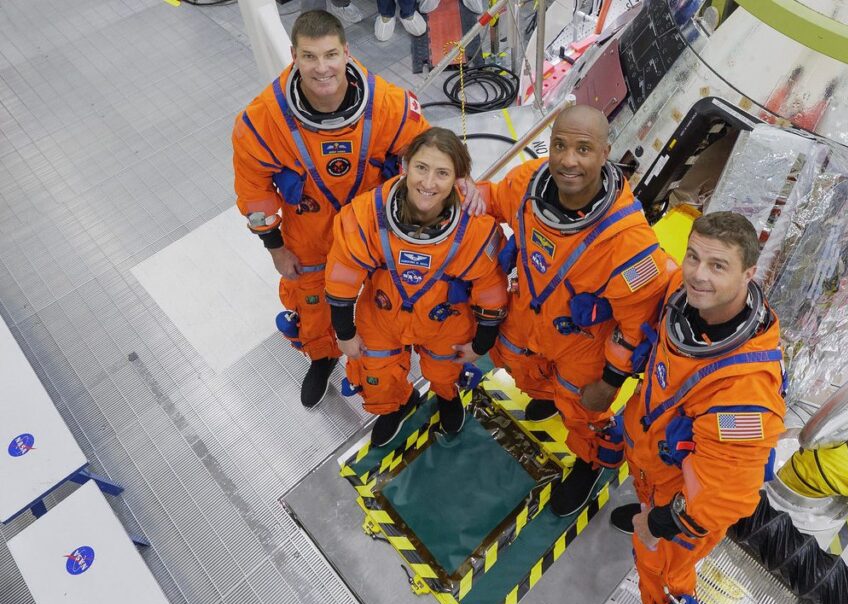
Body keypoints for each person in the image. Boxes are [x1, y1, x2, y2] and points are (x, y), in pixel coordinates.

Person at [610, 211, 786, 604]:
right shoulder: (681, 302)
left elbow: (726, 496)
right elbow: (639, 258)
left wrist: (665, 523)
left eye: (717, 266)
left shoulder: (745, 391)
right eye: (693, 257)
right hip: (651, 466)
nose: (698, 274)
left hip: (683, 505)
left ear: (749, 274)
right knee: (647, 514)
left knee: (662, 562)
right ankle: (647, 515)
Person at [480, 105, 673, 517]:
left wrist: (610, 380)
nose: (568, 160)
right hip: (528, 319)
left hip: (583, 348)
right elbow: (491, 200)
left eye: (584, 149)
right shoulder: (527, 184)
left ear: (605, 154)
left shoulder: (630, 244)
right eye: (560, 145)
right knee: (520, 365)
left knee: (584, 412)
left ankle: (588, 463)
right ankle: (545, 397)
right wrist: (441, 190)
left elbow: (636, 326)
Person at [232, 10, 431, 407]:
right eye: (309, 56)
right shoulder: (262, 120)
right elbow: (254, 190)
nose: (321, 68)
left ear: (346, 52)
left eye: (329, 55)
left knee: (383, 305)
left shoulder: (388, 104)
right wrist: (275, 248)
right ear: (294, 55)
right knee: (312, 300)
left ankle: (383, 378)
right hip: (308, 234)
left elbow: (424, 156)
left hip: (373, 230)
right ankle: (322, 357)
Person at [325, 128, 507, 446]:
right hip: (382, 315)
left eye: (442, 173)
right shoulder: (368, 214)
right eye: (421, 168)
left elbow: (491, 292)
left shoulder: (476, 230)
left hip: (444, 321)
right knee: (376, 376)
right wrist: (344, 333)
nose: (427, 183)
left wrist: (480, 344)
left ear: (458, 180)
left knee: (444, 372)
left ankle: (447, 396)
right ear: (405, 166)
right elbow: (342, 278)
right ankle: (396, 405)